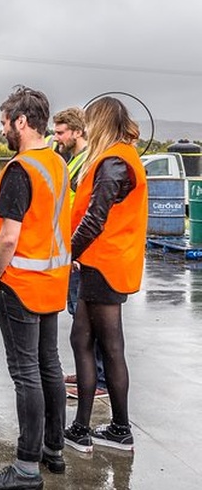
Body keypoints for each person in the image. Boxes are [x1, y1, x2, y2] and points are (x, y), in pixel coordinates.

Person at [0, 86, 70, 489]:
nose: (3, 129)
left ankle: (26, 468)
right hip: (50, 281)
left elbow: (10, 238)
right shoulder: (57, 163)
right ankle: (53, 450)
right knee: (49, 366)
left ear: (21, 122)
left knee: (25, 371)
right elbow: (39, 215)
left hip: (20, 284)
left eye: (5, 122)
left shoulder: (19, 168)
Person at [63, 96, 147, 453]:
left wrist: (67, 252)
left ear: (102, 122)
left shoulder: (113, 161)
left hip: (103, 264)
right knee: (91, 341)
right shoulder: (123, 157)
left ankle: (90, 428)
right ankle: (112, 428)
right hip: (110, 263)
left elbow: (94, 218)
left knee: (100, 345)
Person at [53, 107, 108, 400]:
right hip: (72, 247)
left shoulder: (87, 162)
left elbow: (89, 212)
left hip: (81, 252)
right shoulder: (72, 161)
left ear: (78, 131)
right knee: (78, 315)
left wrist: (75, 249)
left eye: (61, 132)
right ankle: (88, 371)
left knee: (88, 317)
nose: (57, 137)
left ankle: (99, 378)